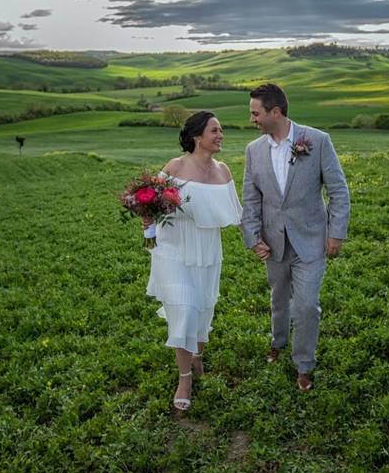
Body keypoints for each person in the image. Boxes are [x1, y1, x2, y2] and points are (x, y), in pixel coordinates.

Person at [241, 84, 350, 391]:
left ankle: (303, 364)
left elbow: (339, 191)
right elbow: (251, 199)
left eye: (255, 113)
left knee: (306, 306)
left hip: (311, 240)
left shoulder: (316, 141)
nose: (252, 119)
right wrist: (252, 237)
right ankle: (277, 342)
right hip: (273, 242)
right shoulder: (253, 150)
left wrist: (336, 234)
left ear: (275, 112)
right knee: (278, 300)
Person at [145, 111, 242, 411]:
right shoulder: (175, 166)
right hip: (173, 247)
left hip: (207, 250)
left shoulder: (223, 171)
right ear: (197, 136)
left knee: (201, 310)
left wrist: (261, 241)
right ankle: (184, 378)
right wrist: (147, 229)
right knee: (184, 310)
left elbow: (238, 213)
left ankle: (197, 357)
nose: (220, 135)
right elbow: (148, 202)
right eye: (214, 130)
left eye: (221, 130)